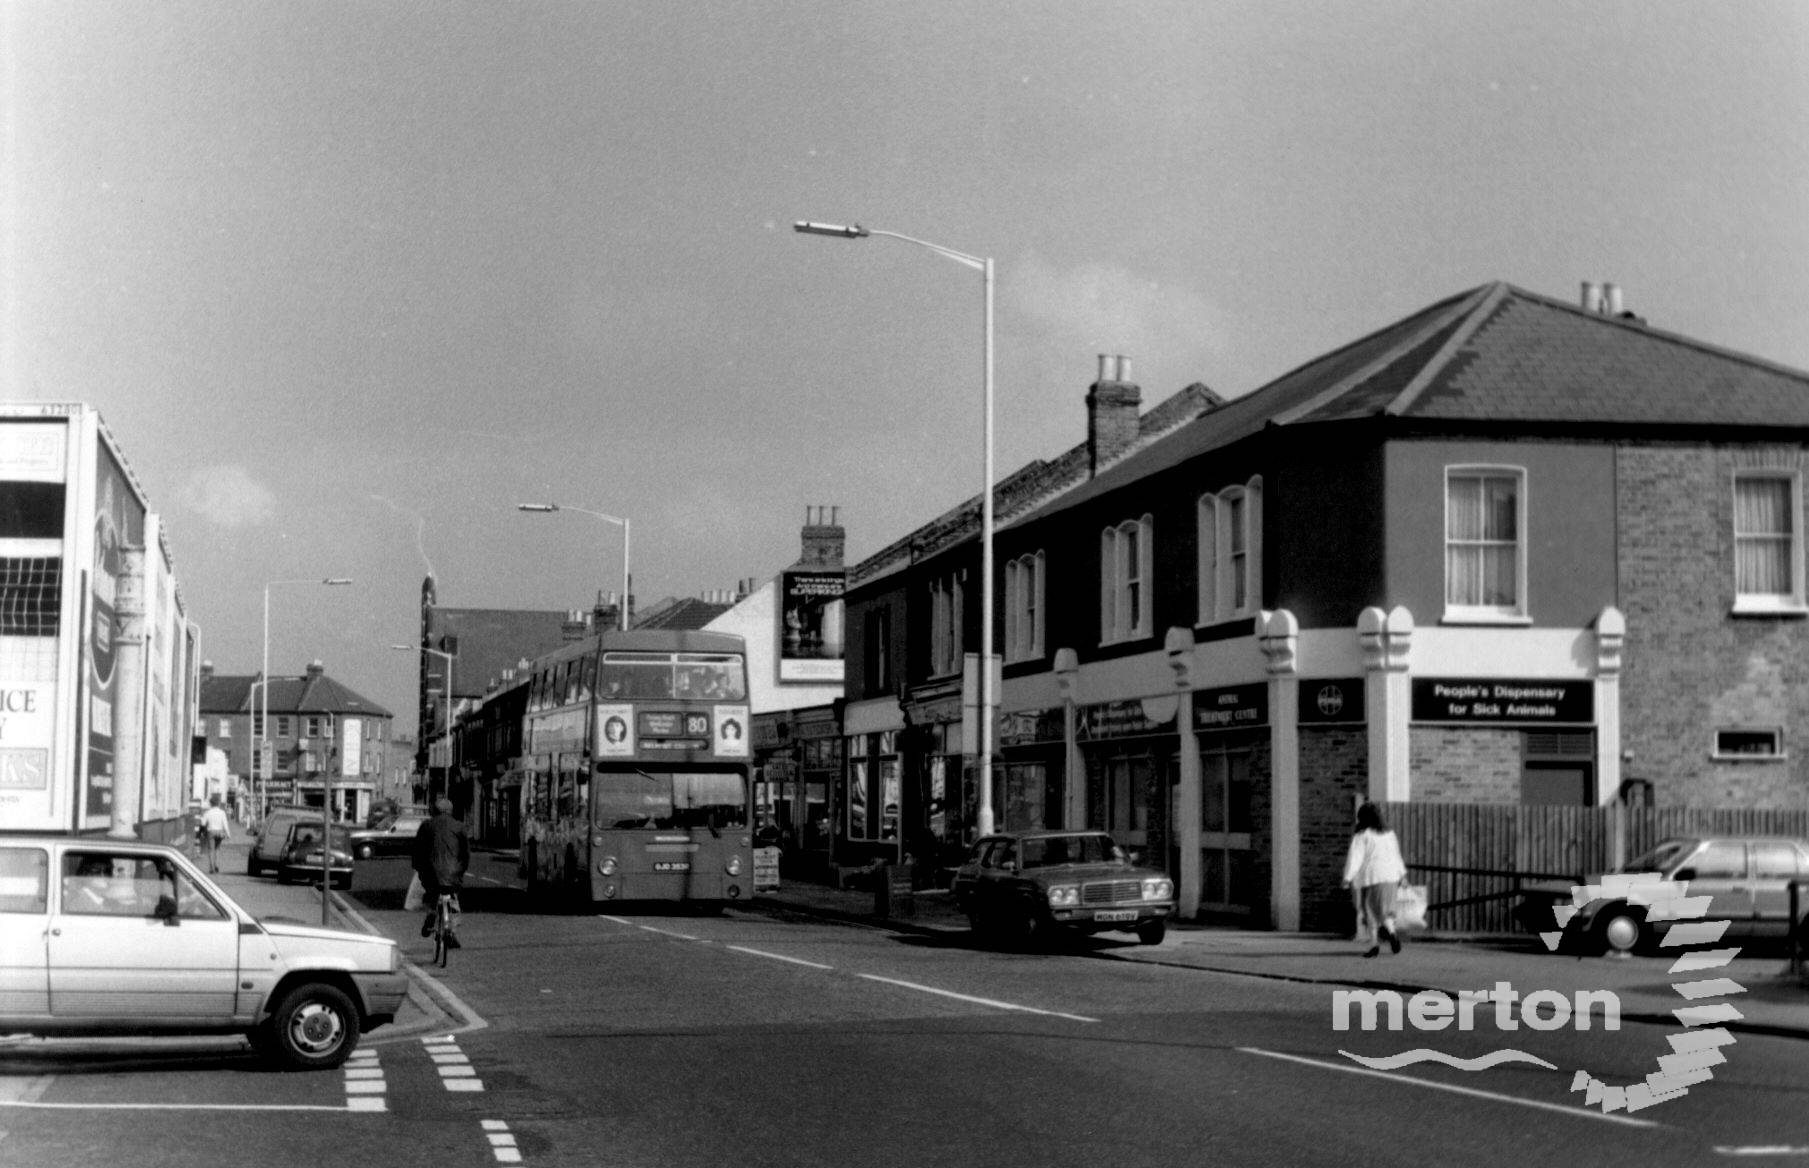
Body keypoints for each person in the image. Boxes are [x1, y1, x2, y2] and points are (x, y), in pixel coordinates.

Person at [1342, 801, 1408, 958]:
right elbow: (1396, 855)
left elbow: (1355, 858)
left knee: (1370, 912)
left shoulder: (1362, 835)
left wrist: (1347, 877)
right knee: (1386, 912)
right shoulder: (1389, 834)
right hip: (1391, 877)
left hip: (1372, 878)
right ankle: (1392, 933)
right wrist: (1402, 875)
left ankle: (1374, 945)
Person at [412, 797, 469, 947]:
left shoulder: (426, 826)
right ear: (451, 811)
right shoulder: (459, 826)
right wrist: (461, 870)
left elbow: (417, 850)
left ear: (434, 811)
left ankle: (431, 914)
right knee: (452, 899)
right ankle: (451, 931)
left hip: (430, 873)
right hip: (453, 872)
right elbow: (466, 853)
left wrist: (418, 868)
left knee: (432, 892)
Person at [199, 793, 232, 874]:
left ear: (211, 803)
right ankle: (216, 864)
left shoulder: (208, 812)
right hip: (220, 832)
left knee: (210, 850)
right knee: (217, 849)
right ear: (218, 803)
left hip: (210, 832)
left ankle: (211, 867)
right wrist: (228, 834)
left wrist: (201, 832)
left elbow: (203, 823)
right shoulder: (222, 812)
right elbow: (225, 824)